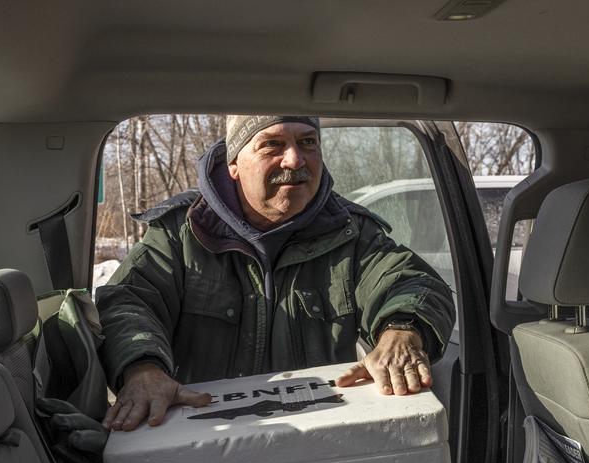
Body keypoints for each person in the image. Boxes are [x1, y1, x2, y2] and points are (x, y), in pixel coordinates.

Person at [97, 115, 455, 431]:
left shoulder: (352, 233)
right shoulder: (181, 232)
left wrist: (402, 331)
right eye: (273, 144)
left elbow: (412, 281)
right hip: (200, 438)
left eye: (307, 143)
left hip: (325, 436)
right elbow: (128, 302)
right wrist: (142, 369)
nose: (296, 159)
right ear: (234, 162)